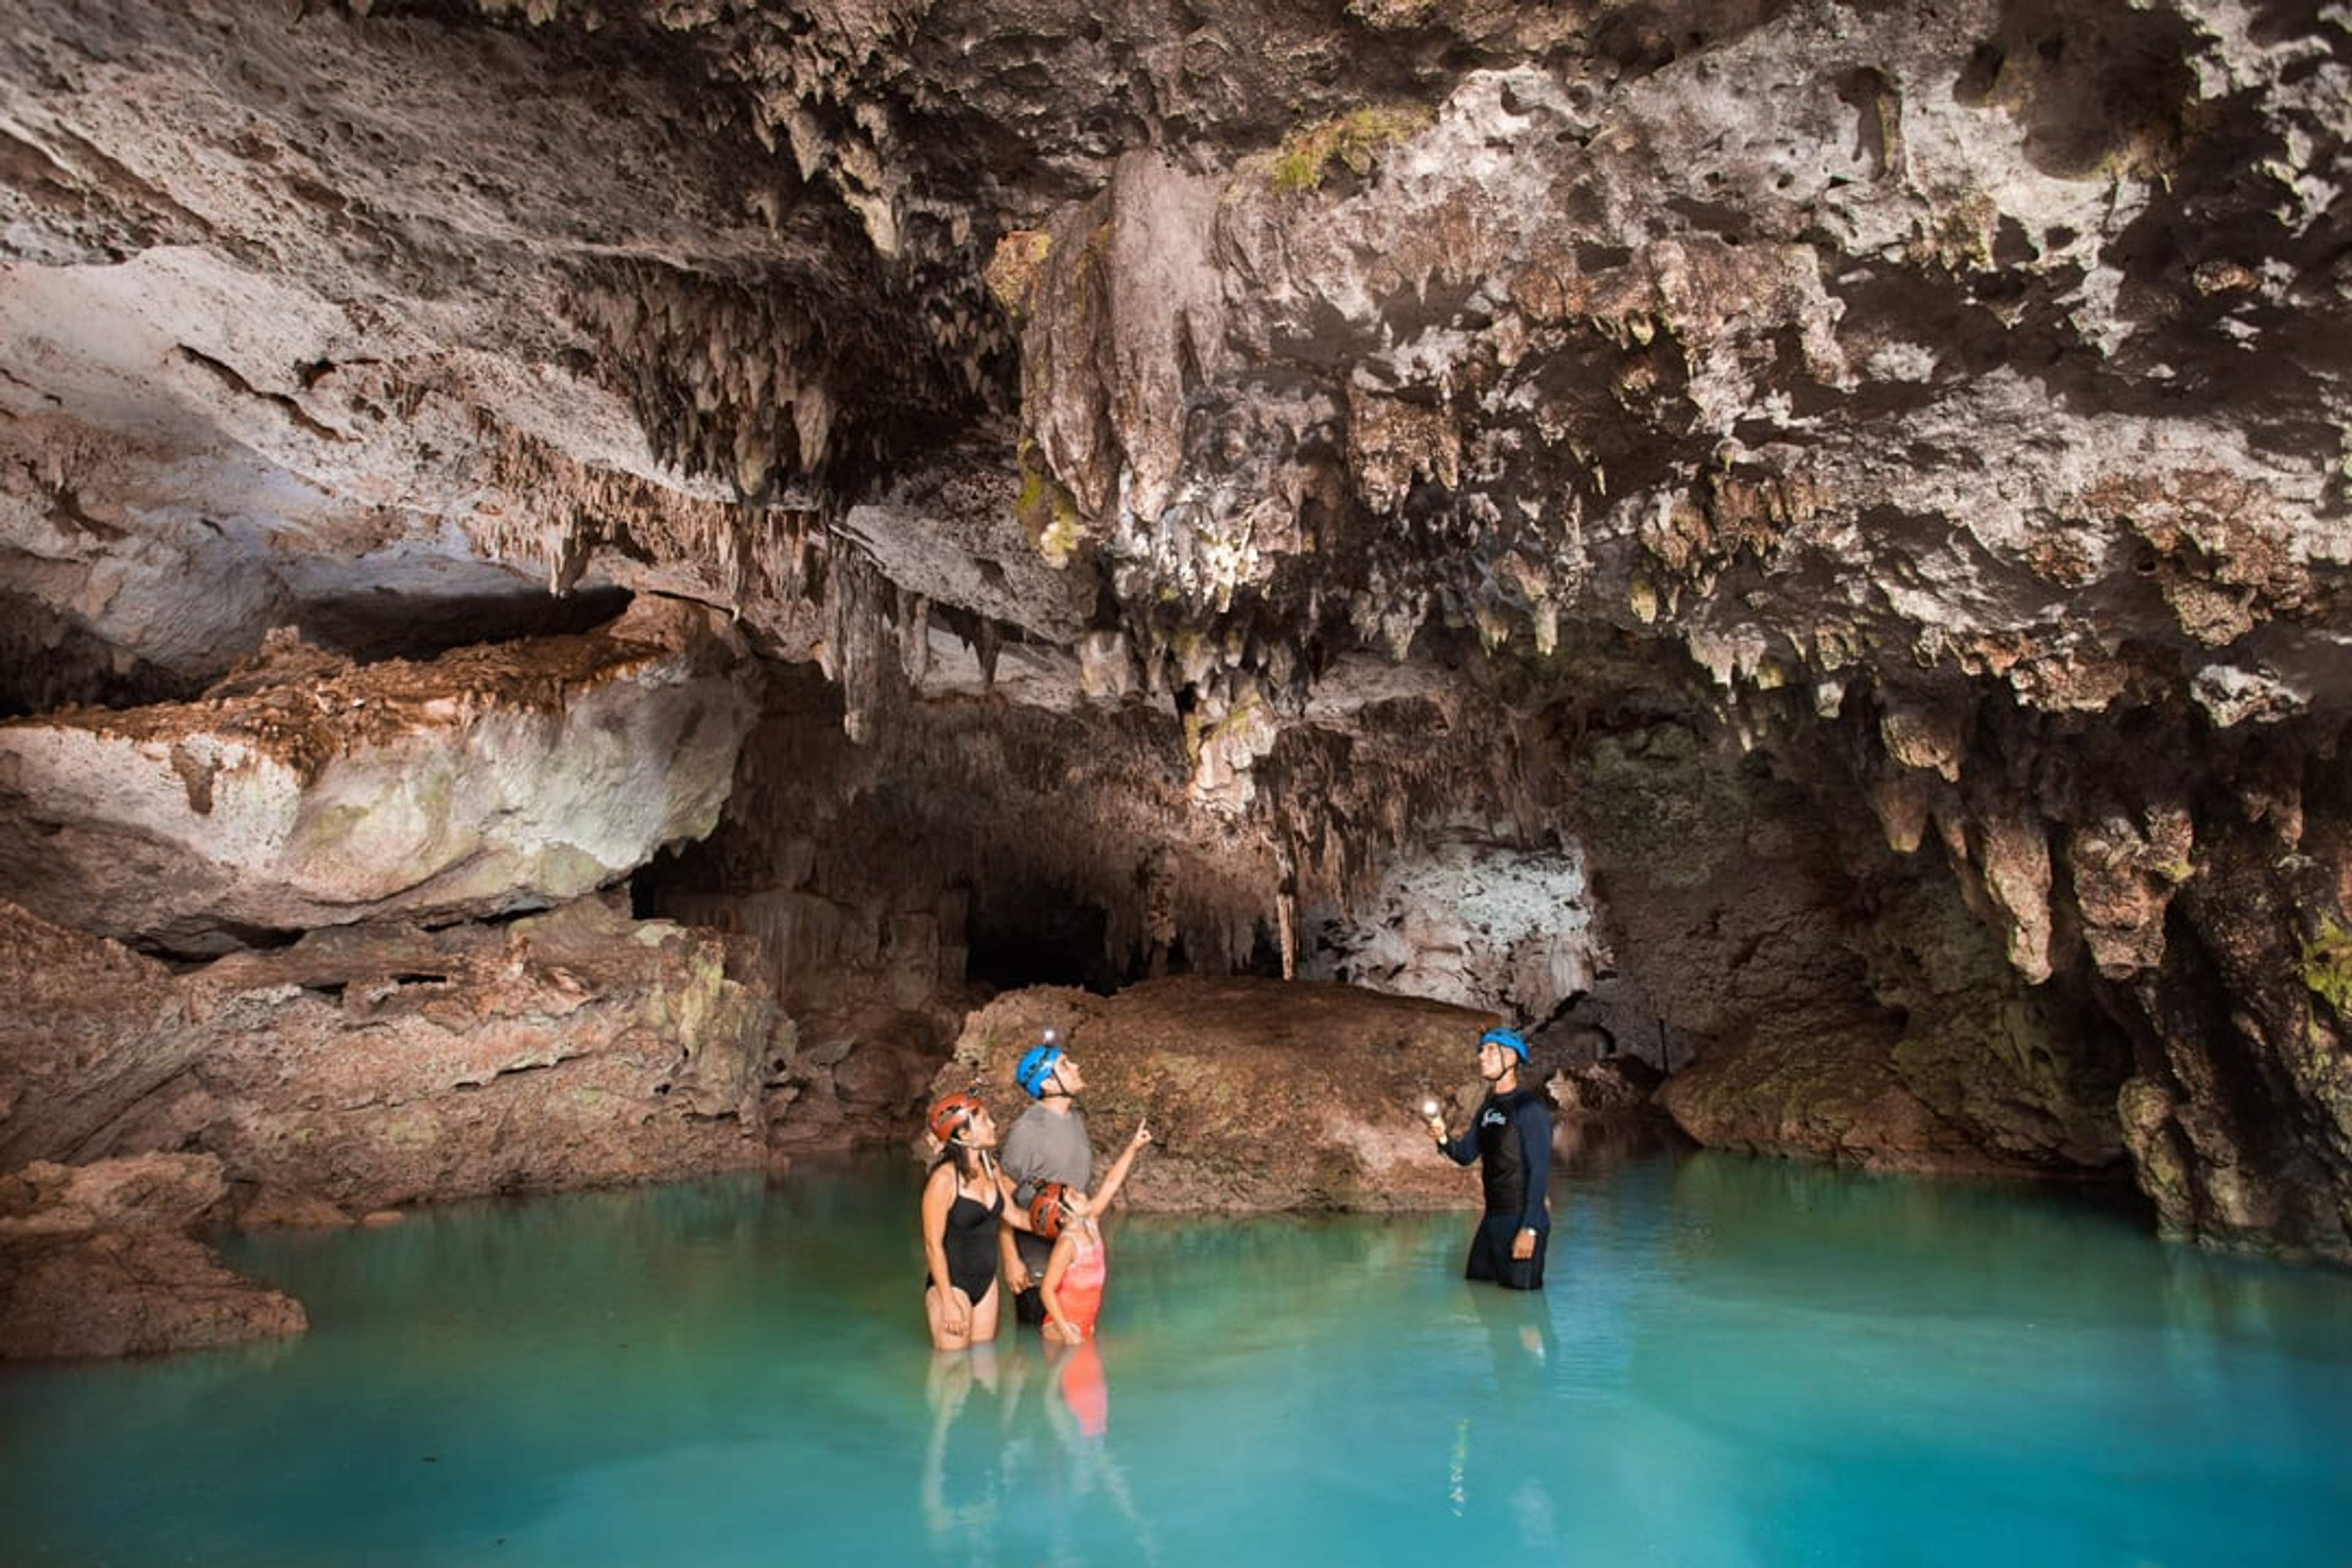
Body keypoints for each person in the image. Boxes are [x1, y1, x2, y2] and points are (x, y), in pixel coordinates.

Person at [921, 1090, 1072, 1351]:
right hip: (952, 1285)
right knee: (951, 1371)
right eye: (984, 1120)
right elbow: (932, 1245)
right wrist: (947, 1302)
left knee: (983, 1365)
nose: (994, 1125)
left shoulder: (991, 1167)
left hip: (986, 1282)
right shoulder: (944, 1181)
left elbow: (1013, 1215)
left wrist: (1064, 1225)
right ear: (965, 1135)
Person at [1423, 1026, 1553, 1289]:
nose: (1482, 1056)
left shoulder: (1529, 1109)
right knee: (1478, 1286)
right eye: (1482, 1051)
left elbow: (1539, 1172)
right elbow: (1466, 1155)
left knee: (1523, 1312)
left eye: (1491, 1050)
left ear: (1512, 1057)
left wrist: (1529, 1229)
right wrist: (1443, 1138)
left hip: (1522, 1218)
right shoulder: (1488, 1108)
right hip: (1493, 1218)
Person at [998, 1030, 1093, 1327]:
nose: (1076, 1067)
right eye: (1065, 1065)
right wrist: (1011, 1259)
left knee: (1070, 1341)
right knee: (1036, 1346)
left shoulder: (1075, 1120)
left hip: (1073, 1255)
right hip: (1036, 1260)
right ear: (1049, 1084)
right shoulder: (1028, 1131)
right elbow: (1001, 1194)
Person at [1030, 1117, 1150, 1344]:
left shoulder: (1090, 1220)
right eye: (1073, 1197)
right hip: (1062, 1328)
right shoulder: (1067, 1244)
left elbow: (1111, 1183)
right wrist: (1066, 1332)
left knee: (1093, 1380)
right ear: (1064, 1217)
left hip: (1083, 1325)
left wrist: (1133, 1147)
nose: (1080, 1193)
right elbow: (1047, 1290)